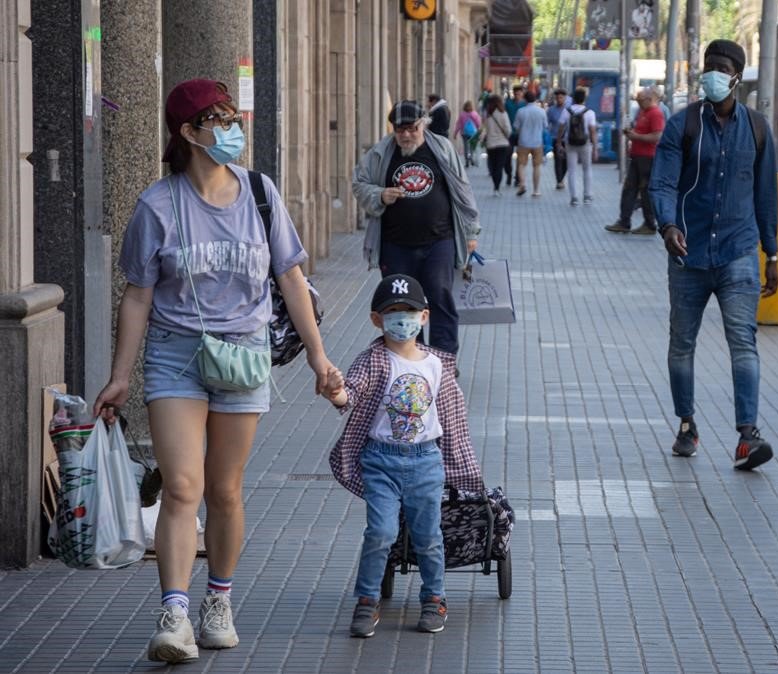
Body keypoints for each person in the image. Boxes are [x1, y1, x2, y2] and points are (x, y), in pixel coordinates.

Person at [92, 78, 334, 664]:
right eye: (219, 120)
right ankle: (174, 614)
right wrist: (121, 375)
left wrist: (321, 359)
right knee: (182, 487)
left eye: (233, 118)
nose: (233, 130)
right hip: (176, 355)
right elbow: (137, 296)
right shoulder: (158, 204)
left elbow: (292, 281)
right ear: (188, 132)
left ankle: (217, 601)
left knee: (225, 490)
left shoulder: (260, 194)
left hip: (244, 355)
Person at [323, 273, 485, 637]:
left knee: (429, 536)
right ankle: (367, 600)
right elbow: (350, 393)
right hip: (381, 460)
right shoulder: (373, 360)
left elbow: (453, 418)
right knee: (380, 531)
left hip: (427, 461)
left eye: (409, 312)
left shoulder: (437, 365)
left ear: (424, 317)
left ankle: (434, 598)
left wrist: (463, 467)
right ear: (377, 320)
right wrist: (335, 392)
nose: (402, 319)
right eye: (392, 312)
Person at [648, 39, 778, 471]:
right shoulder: (681, 125)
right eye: (708, 67)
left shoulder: (758, 129)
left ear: (737, 76)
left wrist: (772, 253)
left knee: (743, 343)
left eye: (720, 68)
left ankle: (747, 436)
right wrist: (667, 225)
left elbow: (766, 196)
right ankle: (687, 425)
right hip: (688, 254)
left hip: (739, 252)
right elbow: (662, 183)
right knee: (681, 345)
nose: (712, 75)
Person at [351, 100, 481, 356]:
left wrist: (471, 231)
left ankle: (443, 361)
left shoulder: (441, 148)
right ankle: (410, 359)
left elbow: (463, 190)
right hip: (395, 244)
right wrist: (379, 195)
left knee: (440, 297)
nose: (406, 135)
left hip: (439, 241)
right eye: (400, 130)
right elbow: (359, 184)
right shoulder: (380, 153)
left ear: (424, 125)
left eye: (412, 128)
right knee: (400, 305)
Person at [607, 87, 665, 235]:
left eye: (641, 101)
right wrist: (631, 133)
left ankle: (650, 223)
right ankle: (624, 221)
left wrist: (636, 137)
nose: (638, 103)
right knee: (629, 189)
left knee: (645, 191)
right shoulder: (643, 112)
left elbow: (657, 136)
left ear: (649, 99)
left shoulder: (656, 114)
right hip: (637, 156)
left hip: (648, 157)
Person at [557, 87, 599, 207]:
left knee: (572, 170)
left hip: (570, 143)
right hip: (585, 143)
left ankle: (574, 197)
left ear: (573, 99)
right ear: (584, 99)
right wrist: (595, 148)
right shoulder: (590, 113)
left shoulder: (567, 111)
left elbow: (561, 127)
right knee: (587, 169)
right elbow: (592, 131)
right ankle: (587, 196)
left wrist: (559, 142)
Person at [512, 89, 549, 197]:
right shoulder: (541, 111)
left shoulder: (521, 111)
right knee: (537, 166)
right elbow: (545, 126)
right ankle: (536, 190)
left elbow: (516, 127)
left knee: (521, 165)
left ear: (525, 99)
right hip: (537, 142)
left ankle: (522, 184)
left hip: (523, 141)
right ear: (535, 99)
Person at [481, 94, 513, 196]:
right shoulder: (503, 114)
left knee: (494, 166)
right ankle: (497, 188)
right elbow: (508, 130)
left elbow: (485, 130)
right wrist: (506, 136)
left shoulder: (488, 116)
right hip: (502, 144)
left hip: (491, 144)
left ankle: (495, 186)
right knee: (499, 166)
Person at [546, 88, 570, 190]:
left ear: (565, 98)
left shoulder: (569, 109)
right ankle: (559, 181)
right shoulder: (551, 110)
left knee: (567, 161)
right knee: (558, 160)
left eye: (561, 97)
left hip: (568, 139)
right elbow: (547, 124)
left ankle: (562, 177)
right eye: (558, 98)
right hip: (556, 138)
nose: (559, 99)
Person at [505, 84, 526, 186]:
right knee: (507, 155)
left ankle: (517, 177)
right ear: (513, 93)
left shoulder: (525, 105)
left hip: (521, 134)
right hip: (509, 133)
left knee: (520, 157)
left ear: (522, 94)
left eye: (519, 93)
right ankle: (509, 174)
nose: (517, 95)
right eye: (516, 93)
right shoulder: (508, 104)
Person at [454, 100, 482, 167]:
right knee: (472, 147)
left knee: (466, 147)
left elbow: (459, 124)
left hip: (464, 133)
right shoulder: (474, 114)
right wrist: (478, 130)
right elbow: (478, 124)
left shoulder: (462, 114)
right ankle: (471, 158)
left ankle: (467, 161)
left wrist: (455, 133)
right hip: (473, 133)